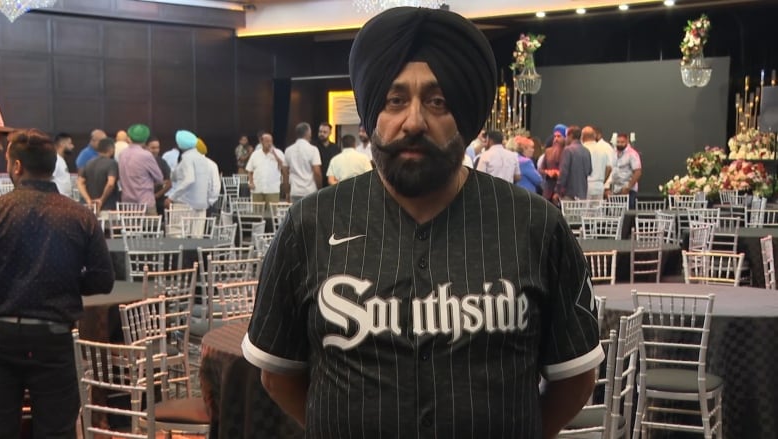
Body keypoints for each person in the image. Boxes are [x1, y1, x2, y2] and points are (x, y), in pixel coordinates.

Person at [242, 7, 602, 438]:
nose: (413, 121)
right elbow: (278, 375)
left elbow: (575, 376)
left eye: (437, 101)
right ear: (374, 110)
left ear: (466, 117)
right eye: (395, 100)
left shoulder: (534, 225)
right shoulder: (310, 225)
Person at [0, 128, 114, 438]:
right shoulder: (80, 216)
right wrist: (67, 283)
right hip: (54, 339)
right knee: (56, 431)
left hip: (1, 335)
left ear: (17, 167)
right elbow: (104, 279)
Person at [118, 123, 163, 214]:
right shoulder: (146, 155)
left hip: (127, 204)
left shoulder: (122, 154)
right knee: (150, 228)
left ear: (130, 137)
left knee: (128, 228)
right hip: (145, 203)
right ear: (146, 139)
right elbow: (160, 179)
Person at [165, 130, 211, 216]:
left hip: (185, 205)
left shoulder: (187, 158)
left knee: (178, 229)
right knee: (198, 230)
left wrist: (171, 197)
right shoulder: (202, 159)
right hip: (201, 205)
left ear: (179, 144)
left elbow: (189, 179)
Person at [77, 137, 119, 214]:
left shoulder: (88, 163)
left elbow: (80, 182)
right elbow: (110, 184)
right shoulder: (112, 163)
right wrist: (101, 200)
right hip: (107, 207)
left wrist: (88, 200)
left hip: (88, 208)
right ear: (111, 149)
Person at [246, 132, 287, 209]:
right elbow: (250, 170)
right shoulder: (255, 154)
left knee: (273, 215)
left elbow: (284, 167)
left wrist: (275, 154)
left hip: (273, 189)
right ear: (261, 142)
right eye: (267, 141)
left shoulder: (278, 153)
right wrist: (251, 182)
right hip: (257, 189)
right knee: (257, 215)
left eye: (271, 141)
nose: (269, 143)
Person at [284, 122, 322, 202]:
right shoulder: (313, 149)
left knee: (296, 214)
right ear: (308, 133)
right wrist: (320, 189)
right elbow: (317, 172)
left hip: (295, 191)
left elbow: (285, 173)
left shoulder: (288, 150)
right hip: (310, 191)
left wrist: (287, 192)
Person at [555, 125, 592, 201]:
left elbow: (563, 173)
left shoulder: (568, 150)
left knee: (567, 213)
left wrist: (557, 191)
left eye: (566, 136)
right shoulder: (586, 151)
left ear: (570, 135)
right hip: (582, 194)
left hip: (569, 194)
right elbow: (589, 171)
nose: (566, 139)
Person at [606, 132, 642, 209]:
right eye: (618, 142)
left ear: (627, 142)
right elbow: (610, 169)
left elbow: (638, 172)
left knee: (627, 214)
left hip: (629, 190)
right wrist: (607, 187)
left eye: (622, 142)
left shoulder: (632, 153)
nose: (619, 144)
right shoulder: (613, 152)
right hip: (615, 189)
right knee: (616, 214)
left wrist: (628, 187)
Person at [582, 126, 614, 200]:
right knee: (597, 210)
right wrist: (603, 181)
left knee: (584, 210)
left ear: (582, 136)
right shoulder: (603, 149)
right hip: (599, 185)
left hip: (586, 185)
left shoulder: (582, 149)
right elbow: (609, 168)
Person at [538, 124, 566, 201]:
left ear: (565, 138)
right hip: (548, 191)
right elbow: (541, 169)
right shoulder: (548, 151)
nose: (556, 139)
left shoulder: (568, 152)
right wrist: (548, 172)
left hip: (562, 191)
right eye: (555, 136)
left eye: (559, 136)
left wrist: (558, 173)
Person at [147, 136, 172, 217]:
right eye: (153, 148)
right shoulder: (141, 161)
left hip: (159, 201)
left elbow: (170, 182)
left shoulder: (162, 162)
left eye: (157, 147)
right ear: (146, 147)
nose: (156, 150)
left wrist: (157, 195)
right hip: (143, 201)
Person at [314, 122, 341, 188]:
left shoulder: (335, 147)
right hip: (317, 182)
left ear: (330, 133)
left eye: (325, 132)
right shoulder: (313, 147)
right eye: (320, 131)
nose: (322, 134)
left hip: (331, 181)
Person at [52, 132, 74, 197]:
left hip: (64, 199)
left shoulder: (61, 160)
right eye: (70, 144)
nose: (72, 146)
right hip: (57, 200)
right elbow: (49, 179)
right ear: (62, 144)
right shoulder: (55, 160)